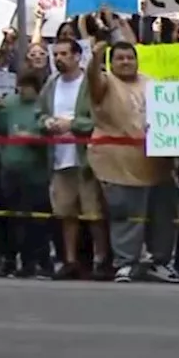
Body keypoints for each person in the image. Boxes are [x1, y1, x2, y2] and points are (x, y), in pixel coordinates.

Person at [85, 13, 178, 284]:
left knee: (162, 216)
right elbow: (93, 78)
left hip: (156, 164)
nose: (126, 62)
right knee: (126, 216)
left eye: (130, 58)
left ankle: (160, 262)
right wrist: (95, 59)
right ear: (111, 63)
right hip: (118, 165)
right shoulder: (104, 83)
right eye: (120, 59)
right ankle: (125, 263)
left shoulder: (152, 83)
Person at [39, 34, 109, 280]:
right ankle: (70, 260)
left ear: (77, 56)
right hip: (59, 158)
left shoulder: (90, 84)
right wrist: (46, 121)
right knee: (66, 213)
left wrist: (73, 124)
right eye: (55, 54)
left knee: (94, 213)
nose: (58, 58)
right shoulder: (51, 83)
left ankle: (101, 259)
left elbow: (100, 117)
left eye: (64, 54)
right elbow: (40, 112)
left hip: (86, 157)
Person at [0, 71, 53, 278]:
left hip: (36, 171)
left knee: (36, 221)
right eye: (21, 86)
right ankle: (11, 260)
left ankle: (37, 261)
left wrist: (33, 137)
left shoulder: (44, 104)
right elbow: (0, 128)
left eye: (28, 87)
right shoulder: (10, 103)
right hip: (10, 168)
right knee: (11, 219)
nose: (24, 90)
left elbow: (50, 132)